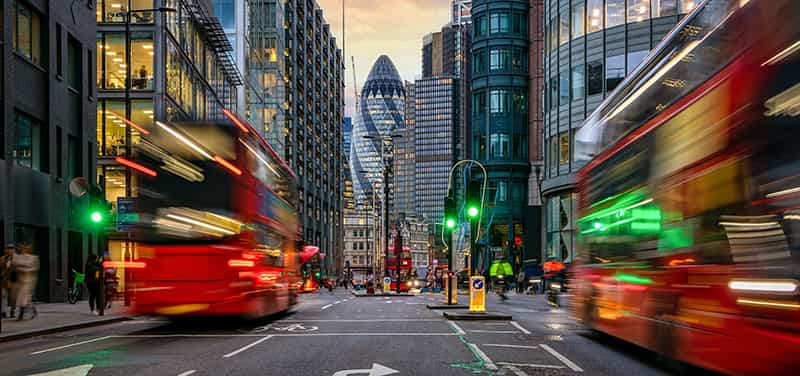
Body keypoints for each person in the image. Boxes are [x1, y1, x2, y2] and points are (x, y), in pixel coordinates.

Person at [13, 242, 39, 320]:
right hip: (20, 280)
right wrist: (22, 268)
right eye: (22, 248)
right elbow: (14, 265)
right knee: (24, 298)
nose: (23, 249)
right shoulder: (18, 257)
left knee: (23, 297)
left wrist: (25, 269)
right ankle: (33, 310)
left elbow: (35, 268)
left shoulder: (34, 257)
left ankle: (21, 314)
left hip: (29, 280)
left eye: (25, 248)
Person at [1, 244, 16, 318]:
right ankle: (3, 312)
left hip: (13, 280)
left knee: (13, 298)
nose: (9, 250)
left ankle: (12, 312)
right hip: (4, 280)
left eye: (11, 249)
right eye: (8, 249)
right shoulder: (2, 258)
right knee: (3, 296)